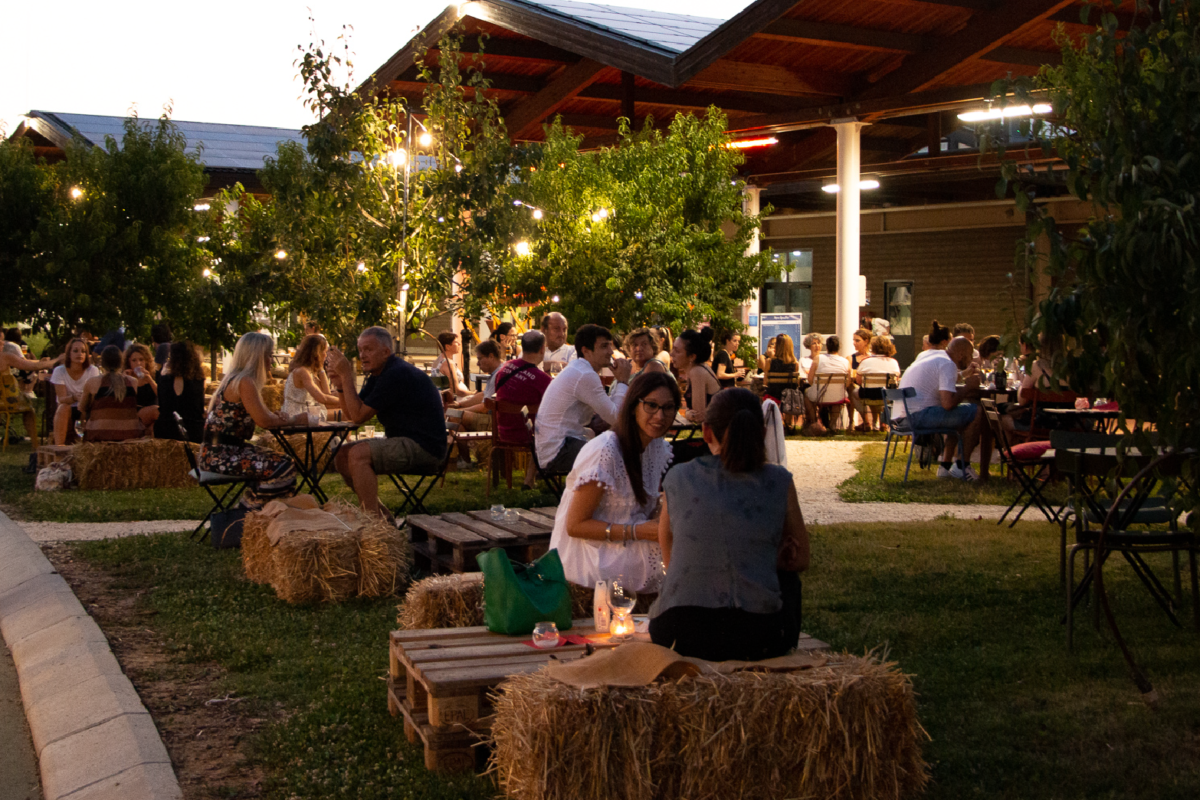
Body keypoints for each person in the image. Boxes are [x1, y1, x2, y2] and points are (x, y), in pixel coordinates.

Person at [651, 388, 809, 661]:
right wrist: (767, 559)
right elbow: (801, 558)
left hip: (677, 632)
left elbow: (671, 557)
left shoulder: (678, 477)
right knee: (788, 582)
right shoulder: (778, 480)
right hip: (760, 636)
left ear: (707, 432)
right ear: (761, 432)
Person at [550, 371, 680, 592]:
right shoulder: (605, 450)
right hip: (592, 556)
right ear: (633, 407)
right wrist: (639, 532)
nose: (660, 416)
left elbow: (637, 507)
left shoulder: (657, 448)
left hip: (626, 543)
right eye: (651, 405)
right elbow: (575, 526)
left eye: (668, 408)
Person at [327, 327, 448, 519]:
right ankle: (382, 518)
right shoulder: (379, 374)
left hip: (425, 447)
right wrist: (342, 386)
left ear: (385, 352)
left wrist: (347, 376)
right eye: (360, 350)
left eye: (368, 349)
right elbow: (352, 415)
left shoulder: (396, 374)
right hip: (405, 441)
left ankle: (372, 523)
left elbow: (358, 417)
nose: (362, 355)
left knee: (358, 454)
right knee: (342, 455)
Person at [199, 333, 299, 506]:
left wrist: (276, 416)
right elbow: (264, 421)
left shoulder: (235, 379)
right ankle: (249, 513)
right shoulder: (244, 382)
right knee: (283, 467)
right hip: (221, 456)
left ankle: (262, 509)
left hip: (217, 452)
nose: (271, 361)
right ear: (256, 357)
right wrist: (293, 420)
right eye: (268, 355)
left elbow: (263, 415)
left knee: (285, 461)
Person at [535, 324, 632, 474]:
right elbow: (616, 417)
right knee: (617, 457)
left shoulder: (580, 369)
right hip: (559, 453)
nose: (611, 352)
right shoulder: (584, 374)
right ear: (586, 351)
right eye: (604, 346)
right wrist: (622, 382)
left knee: (614, 447)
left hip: (555, 447)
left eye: (610, 346)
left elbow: (609, 413)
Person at [891, 336, 982, 480]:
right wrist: (968, 388)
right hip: (918, 417)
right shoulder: (948, 364)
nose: (971, 359)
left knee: (958, 414)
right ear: (960, 355)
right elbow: (948, 403)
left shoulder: (930, 355)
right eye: (970, 355)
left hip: (901, 417)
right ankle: (961, 465)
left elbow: (943, 379)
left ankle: (945, 466)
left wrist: (964, 375)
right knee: (976, 411)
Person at [493, 331, 554, 489]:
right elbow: (556, 404)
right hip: (528, 433)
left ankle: (531, 478)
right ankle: (538, 478)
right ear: (542, 349)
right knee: (555, 428)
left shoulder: (504, 369)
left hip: (502, 431)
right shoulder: (543, 379)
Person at [1, 331, 62, 463]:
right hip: (7, 401)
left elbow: (26, 362)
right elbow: (31, 366)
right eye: (0, 340)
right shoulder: (5, 357)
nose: (3, 343)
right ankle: (35, 445)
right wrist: (57, 360)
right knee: (29, 409)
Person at [447, 339, 505, 467]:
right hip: (492, 416)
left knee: (454, 417)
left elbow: (485, 407)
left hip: (495, 421)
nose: (477, 363)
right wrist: (460, 405)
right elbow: (483, 395)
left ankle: (466, 461)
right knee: (455, 414)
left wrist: (460, 412)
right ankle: (470, 456)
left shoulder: (499, 374)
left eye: (479, 359)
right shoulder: (497, 371)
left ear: (491, 356)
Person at [80, 346, 144, 442]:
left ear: (102, 363)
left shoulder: (92, 382)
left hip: (99, 437)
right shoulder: (133, 382)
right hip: (129, 435)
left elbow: (82, 407)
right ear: (121, 362)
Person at [51, 337, 100, 445]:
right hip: (68, 407)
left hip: (85, 407)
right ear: (69, 353)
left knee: (84, 408)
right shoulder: (59, 371)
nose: (80, 354)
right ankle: (59, 448)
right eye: (75, 351)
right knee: (63, 407)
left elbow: (95, 396)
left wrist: (83, 399)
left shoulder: (93, 370)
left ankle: (85, 445)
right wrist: (75, 397)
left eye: (83, 351)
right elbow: (61, 399)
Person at [154, 341, 206, 442]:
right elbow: (199, 408)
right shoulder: (199, 381)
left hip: (166, 429)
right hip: (193, 429)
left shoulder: (164, 380)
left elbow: (162, 406)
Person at [282, 334, 341, 420]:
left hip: (306, 411)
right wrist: (345, 402)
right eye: (324, 352)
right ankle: (344, 434)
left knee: (339, 401)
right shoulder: (302, 372)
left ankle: (340, 433)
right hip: (298, 414)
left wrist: (321, 369)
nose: (326, 355)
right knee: (346, 413)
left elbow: (327, 393)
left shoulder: (309, 370)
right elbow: (322, 398)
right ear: (317, 354)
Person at [851, 336, 901, 431]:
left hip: (867, 394)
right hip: (887, 396)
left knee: (854, 393)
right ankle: (883, 422)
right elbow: (896, 380)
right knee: (881, 391)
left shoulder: (865, 362)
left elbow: (858, 381)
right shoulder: (893, 362)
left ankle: (866, 422)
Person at [671, 328, 720, 423]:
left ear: (692, 357)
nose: (671, 353)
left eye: (677, 351)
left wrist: (686, 413)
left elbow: (698, 416)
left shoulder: (697, 372)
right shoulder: (697, 369)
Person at [804, 334, 852, 425]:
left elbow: (810, 380)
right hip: (839, 396)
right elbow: (848, 383)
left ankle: (814, 422)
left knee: (806, 395)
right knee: (837, 399)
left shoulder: (818, 359)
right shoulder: (846, 362)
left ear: (827, 347)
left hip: (819, 395)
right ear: (839, 347)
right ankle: (833, 424)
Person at [123, 343, 160, 433]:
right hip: (136, 413)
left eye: (141, 360)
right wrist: (125, 380)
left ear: (147, 361)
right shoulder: (126, 377)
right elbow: (126, 401)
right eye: (134, 360)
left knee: (154, 428)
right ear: (129, 362)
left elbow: (162, 395)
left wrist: (150, 380)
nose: (138, 363)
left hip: (153, 414)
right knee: (157, 410)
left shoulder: (155, 375)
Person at [433, 332, 471, 398]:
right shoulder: (448, 363)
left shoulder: (437, 361)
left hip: (443, 398)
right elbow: (456, 390)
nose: (459, 344)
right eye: (456, 342)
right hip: (455, 399)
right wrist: (474, 393)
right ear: (447, 346)